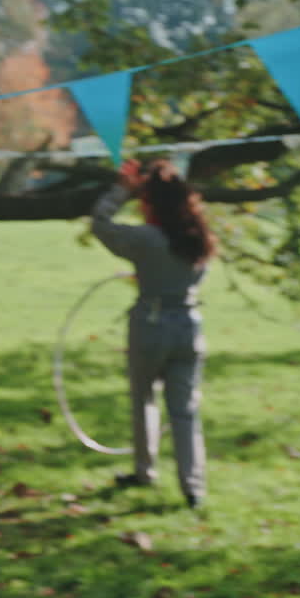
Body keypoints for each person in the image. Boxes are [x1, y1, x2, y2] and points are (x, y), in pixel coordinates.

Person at [91, 158, 217, 510]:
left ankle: (144, 471)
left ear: (151, 204)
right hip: (190, 325)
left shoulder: (146, 238)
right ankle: (193, 488)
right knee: (185, 411)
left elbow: (100, 224)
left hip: (151, 324)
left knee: (143, 398)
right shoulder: (199, 239)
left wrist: (121, 190)